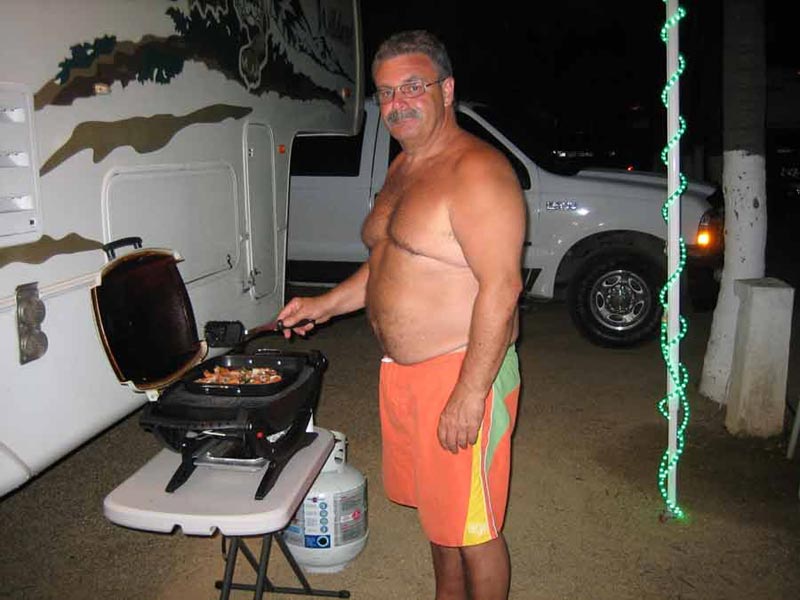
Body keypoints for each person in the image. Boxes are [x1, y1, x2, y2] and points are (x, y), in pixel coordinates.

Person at [276, 30, 525, 600]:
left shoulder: (477, 172)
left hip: (461, 369)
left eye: (413, 87)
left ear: (447, 90)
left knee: (475, 529)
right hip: (404, 374)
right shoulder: (402, 169)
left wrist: (470, 393)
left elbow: (502, 287)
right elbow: (387, 266)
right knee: (440, 516)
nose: (397, 103)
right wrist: (323, 305)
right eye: (386, 92)